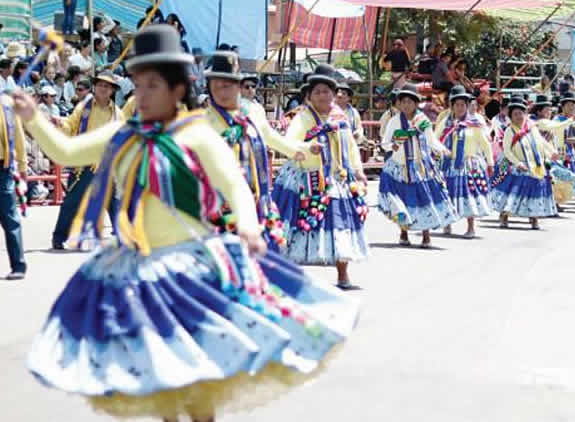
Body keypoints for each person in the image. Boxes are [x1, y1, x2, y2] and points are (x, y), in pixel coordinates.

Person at [18, 24, 357, 422]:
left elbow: (234, 184)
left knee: (197, 382)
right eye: (137, 85)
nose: (140, 95)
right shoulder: (123, 134)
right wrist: (33, 119)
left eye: (152, 86)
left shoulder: (196, 135)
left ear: (178, 89)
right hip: (138, 270)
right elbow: (67, 151)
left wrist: (248, 224)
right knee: (163, 372)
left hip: (191, 266)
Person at [272, 64, 369, 290]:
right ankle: (294, 274)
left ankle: (343, 274)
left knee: (340, 223)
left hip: (337, 178)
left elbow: (351, 147)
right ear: (309, 96)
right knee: (297, 226)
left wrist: (358, 170)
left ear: (334, 95)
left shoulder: (340, 118)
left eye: (327, 91)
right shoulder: (303, 118)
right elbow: (289, 142)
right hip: (305, 178)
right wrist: (307, 148)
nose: (323, 95)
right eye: (317, 92)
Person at [204, 50, 306, 252]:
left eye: (229, 84)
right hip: (220, 203)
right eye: (218, 85)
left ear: (238, 87)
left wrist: (294, 150)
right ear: (209, 87)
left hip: (257, 198)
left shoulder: (252, 112)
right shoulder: (203, 121)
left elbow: (268, 136)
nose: (223, 91)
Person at [378, 83, 457, 247]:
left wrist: (443, 150)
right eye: (403, 102)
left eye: (410, 101)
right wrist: (391, 146)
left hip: (419, 167)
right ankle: (404, 232)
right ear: (399, 103)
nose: (406, 105)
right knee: (401, 202)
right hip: (399, 168)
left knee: (423, 200)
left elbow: (431, 140)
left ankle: (426, 234)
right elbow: (385, 141)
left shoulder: (422, 121)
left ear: (416, 103)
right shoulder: (394, 121)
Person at [51, 71, 121, 250]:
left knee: (114, 203)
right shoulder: (84, 108)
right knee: (72, 202)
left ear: (112, 90)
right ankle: (59, 237)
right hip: (84, 164)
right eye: (100, 85)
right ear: (95, 87)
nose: (103, 89)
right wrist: (61, 124)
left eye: (107, 86)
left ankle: (124, 238)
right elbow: (71, 125)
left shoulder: (118, 114)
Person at [489, 96, 557, 229]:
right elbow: (507, 151)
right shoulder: (510, 130)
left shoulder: (532, 128)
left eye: (521, 113)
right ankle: (504, 215)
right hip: (517, 166)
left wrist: (551, 152)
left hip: (534, 164)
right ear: (511, 116)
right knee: (512, 193)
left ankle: (534, 217)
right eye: (515, 114)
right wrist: (517, 163)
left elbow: (541, 143)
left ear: (525, 114)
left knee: (535, 192)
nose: (519, 116)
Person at [435, 85, 494, 238]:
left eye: (463, 105)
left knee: (469, 195)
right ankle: (447, 224)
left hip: (469, 164)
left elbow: (485, 144)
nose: (460, 108)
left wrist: (490, 163)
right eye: (457, 105)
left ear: (467, 106)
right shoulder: (445, 124)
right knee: (448, 194)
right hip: (450, 164)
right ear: (452, 106)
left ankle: (470, 227)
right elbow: (435, 140)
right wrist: (441, 151)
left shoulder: (475, 124)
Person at [0, 94, 27, 279]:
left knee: (10, 217)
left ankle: (18, 265)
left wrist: (23, 164)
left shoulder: (7, 105)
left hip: (3, 167)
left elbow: (18, 135)